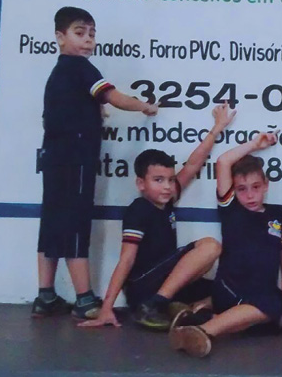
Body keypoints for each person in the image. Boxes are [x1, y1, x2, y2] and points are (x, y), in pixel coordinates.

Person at [32, 6, 159, 320]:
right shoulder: (81, 68)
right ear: (60, 37)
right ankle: (85, 299)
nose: (88, 40)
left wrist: (91, 112)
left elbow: (57, 114)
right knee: (75, 225)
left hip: (54, 158)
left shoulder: (59, 73)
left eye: (91, 34)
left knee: (51, 223)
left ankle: (45, 296)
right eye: (79, 33)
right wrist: (143, 106)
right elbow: (112, 96)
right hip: (75, 159)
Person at [78, 104, 236, 329]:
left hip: (166, 281)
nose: (167, 186)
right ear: (141, 183)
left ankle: (181, 308)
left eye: (170, 180)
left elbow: (193, 164)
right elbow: (126, 260)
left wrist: (217, 127)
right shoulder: (139, 209)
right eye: (158, 180)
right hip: (143, 286)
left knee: (226, 291)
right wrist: (107, 307)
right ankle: (154, 305)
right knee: (210, 246)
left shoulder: (168, 200)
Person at [169, 131, 282, 357]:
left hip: (262, 291)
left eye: (256, 187)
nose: (250, 195)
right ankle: (205, 330)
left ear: (266, 185)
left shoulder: (279, 213)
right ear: (234, 190)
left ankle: (199, 319)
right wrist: (255, 144)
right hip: (230, 289)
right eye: (242, 189)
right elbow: (223, 162)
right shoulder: (231, 209)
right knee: (271, 306)